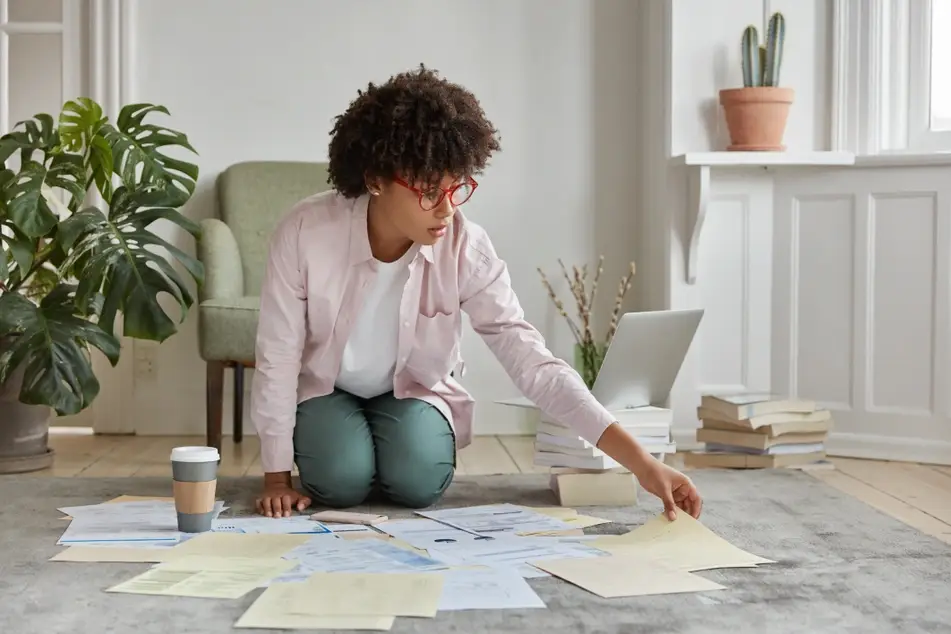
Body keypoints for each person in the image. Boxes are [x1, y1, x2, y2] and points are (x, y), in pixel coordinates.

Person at [250, 64, 702, 522]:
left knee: (417, 480)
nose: (446, 210)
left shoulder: (466, 246)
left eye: (456, 189)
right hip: (329, 389)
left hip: (411, 393)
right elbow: (279, 354)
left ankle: (388, 450)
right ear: (375, 180)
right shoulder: (304, 232)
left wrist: (642, 463)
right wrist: (274, 477)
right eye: (429, 192)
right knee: (341, 480)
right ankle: (346, 452)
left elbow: (532, 362)